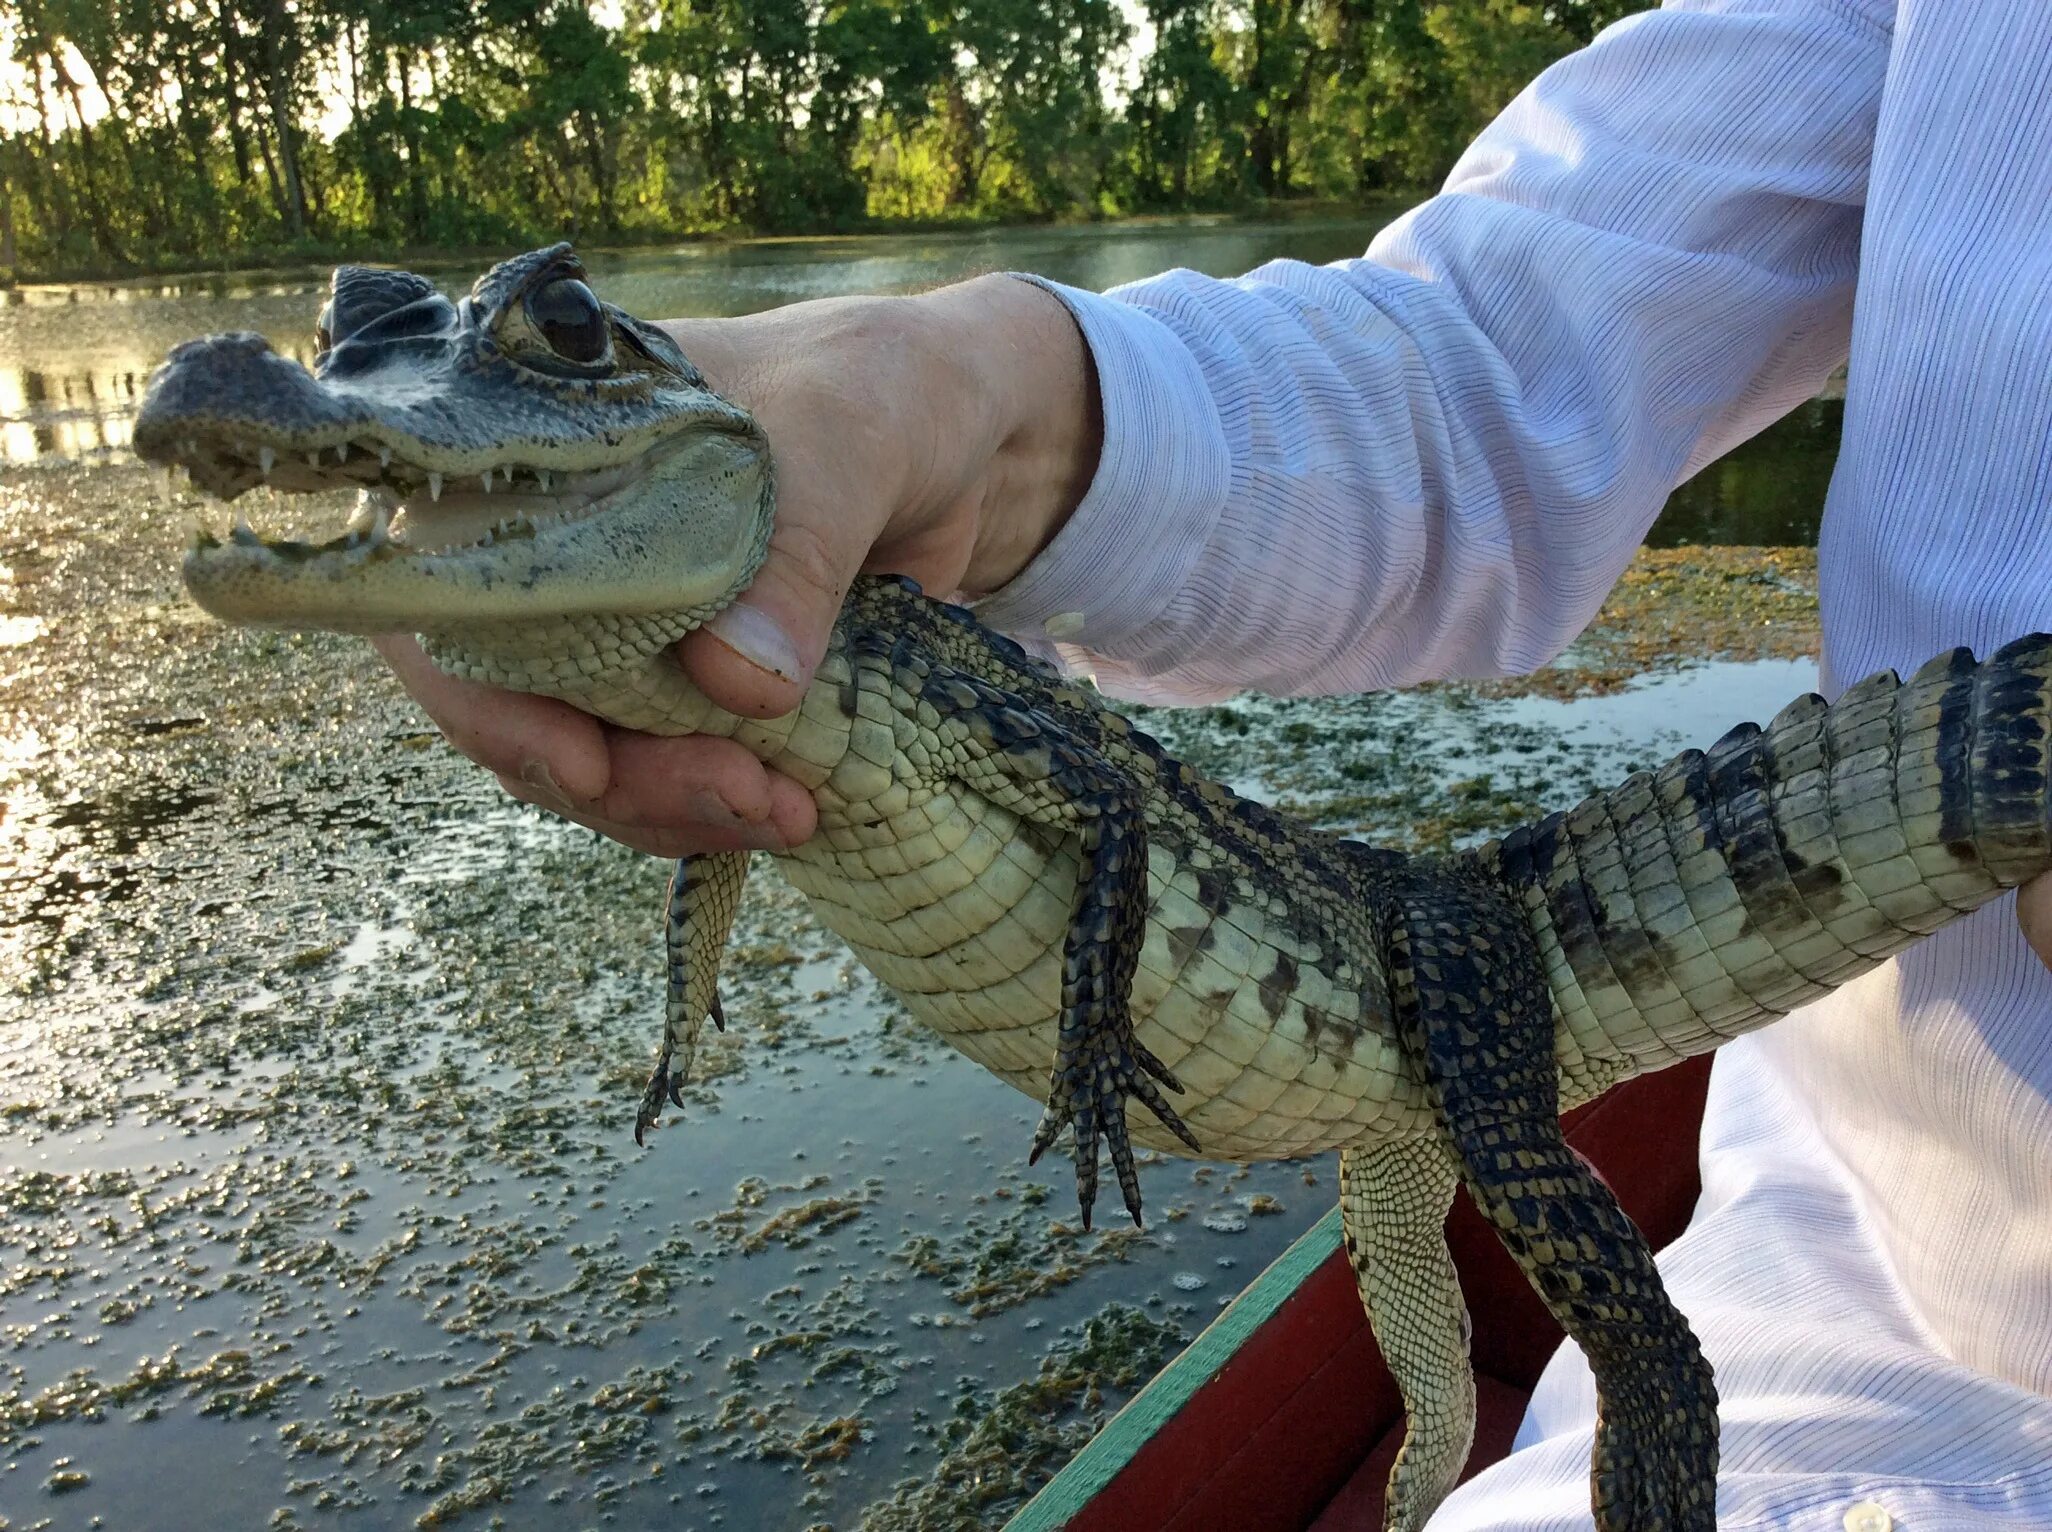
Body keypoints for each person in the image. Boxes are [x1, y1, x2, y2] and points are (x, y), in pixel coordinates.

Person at [375, 1, 2052, 1525]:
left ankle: (1588, 1451)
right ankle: (1431, 1458)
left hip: (1553, 1064)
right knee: (1407, 1266)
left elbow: (1099, 804)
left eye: (560, 341)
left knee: (1606, 1311)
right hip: (1847, 1285)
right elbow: (1489, 354)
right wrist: (972, 378)